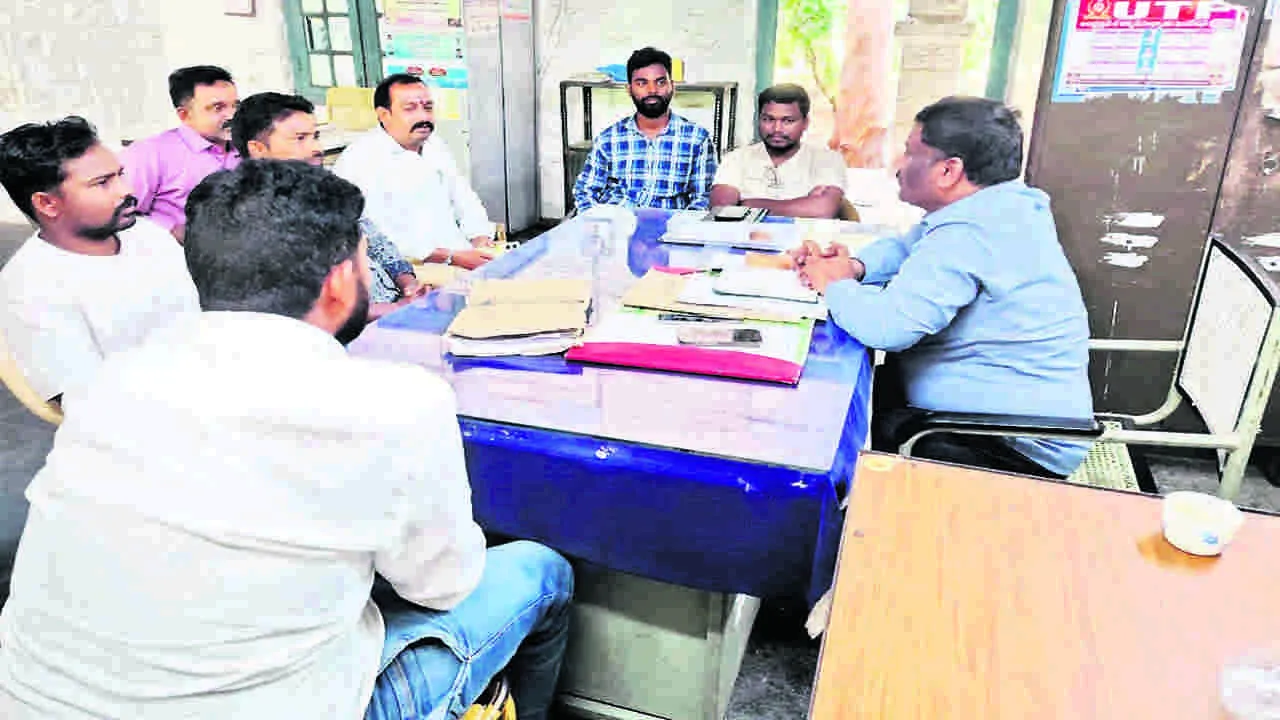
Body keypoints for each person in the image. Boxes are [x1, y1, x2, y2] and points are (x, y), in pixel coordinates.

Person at [0, 160, 574, 720]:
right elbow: (443, 587)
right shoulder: (397, 404)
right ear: (339, 282)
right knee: (541, 571)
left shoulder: (109, 383)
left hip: (33, 701)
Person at [795, 96, 1093, 479]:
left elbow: (888, 327)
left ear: (949, 171)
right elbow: (908, 246)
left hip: (1004, 444)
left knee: (823, 421)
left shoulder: (972, 231)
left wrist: (834, 283)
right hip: (976, 419)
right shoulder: (998, 207)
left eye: (909, 153)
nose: (897, 167)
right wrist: (854, 266)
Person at [0, 116, 199, 404]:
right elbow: (90, 404)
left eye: (120, 174)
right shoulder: (30, 286)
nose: (126, 190)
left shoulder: (146, 235)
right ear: (47, 204)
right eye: (102, 183)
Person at [230, 91, 428, 322]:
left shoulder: (328, 188)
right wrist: (394, 309)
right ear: (258, 149)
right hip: (351, 330)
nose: (316, 148)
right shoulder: (254, 213)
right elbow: (305, 308)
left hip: (392, 306)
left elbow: (376, 241)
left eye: (315, 136)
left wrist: (408, 284)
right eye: (300, 138)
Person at [333, 73, 495, 269]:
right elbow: (377, 236)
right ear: (384, 115)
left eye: (428, 108)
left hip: (462, 257)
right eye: (410, 109)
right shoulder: (360, 159)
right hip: (408, 272)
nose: (423, 117)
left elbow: (464, 198)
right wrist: (449, 257)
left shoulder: (435, 145)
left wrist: (480, 237)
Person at [572, 46, 717, 212]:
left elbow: (703, 199)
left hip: (668, 231)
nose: (652, 90)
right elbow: (585, 192)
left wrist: (679, 231)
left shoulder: (697, 139)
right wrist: (599, 227)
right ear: (629, 89)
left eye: (660, 82)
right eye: (642, 83)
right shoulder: (609, 139)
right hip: (616, 228)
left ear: (673, 86)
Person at [122, 65, 241, 242]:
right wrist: (168, 231)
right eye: (218, 108)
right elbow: (119, 215)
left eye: (235, 106)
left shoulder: (248, 147)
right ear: (185, 115)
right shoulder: (150, 154)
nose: (232, 115)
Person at [709, 84, 847, 219]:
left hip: (805, 240)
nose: (777, 129)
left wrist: (747, 204)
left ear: (805, 123)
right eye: (768, 119)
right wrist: (803, 205)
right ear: (758, 120)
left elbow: (822, 210)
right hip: (746, 240)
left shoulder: (827, 160)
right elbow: (722, 210)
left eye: (788, 121)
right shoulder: (736, 158)